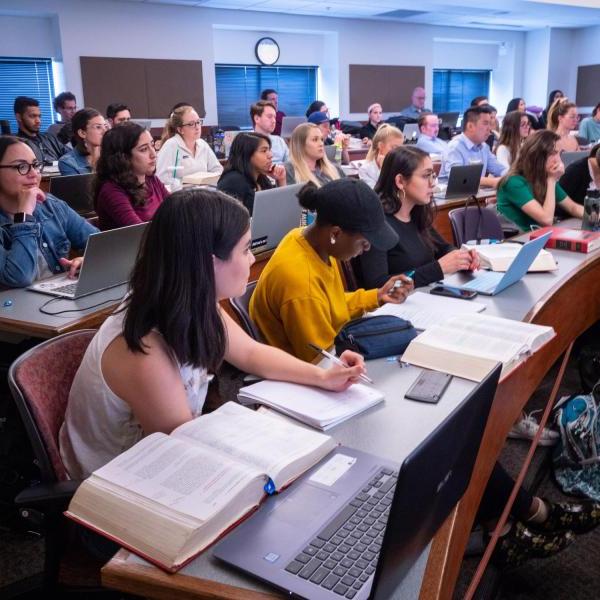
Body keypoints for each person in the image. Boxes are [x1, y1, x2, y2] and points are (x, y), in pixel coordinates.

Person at [59, 187, 368, 481]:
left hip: (166, 456)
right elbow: (182, 447)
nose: (251, 260)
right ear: (209, 263)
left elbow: (249, 353)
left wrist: (323, 377)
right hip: (118, 487)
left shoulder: (189, 298)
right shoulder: (143, 349)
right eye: (245, 249)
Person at [250, 178, 413, 362]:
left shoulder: (311, 241)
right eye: (364, 243)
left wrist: (376, 296)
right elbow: (324, 359)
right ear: (335, 233)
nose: (367, 249)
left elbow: (329, 304)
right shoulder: (300, 280)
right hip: (302, 376)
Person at [357, 146, 478, 289]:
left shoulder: (416, 213)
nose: (432, 183)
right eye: (426, 176)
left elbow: (444, 248)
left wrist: (461, 258)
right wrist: (439, 269)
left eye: (433, 175)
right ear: (400, 181)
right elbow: (377, 285)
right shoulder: (376, 223)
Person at [0, 136, 97, 288]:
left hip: (55, 299)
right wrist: (24, 215)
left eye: (36, 165)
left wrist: (86, 259)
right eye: (22, 166)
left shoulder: (52, 205)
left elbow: (99, 243)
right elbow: (19, 278)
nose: (34, 174)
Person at [496, 130, 584, 231]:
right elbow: (546, 220)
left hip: (539, 235)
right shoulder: (513, 182)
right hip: (519, 239)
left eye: (559, 154)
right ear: (536, 155)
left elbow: (573, 207)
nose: (558, 160)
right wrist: (551, 180)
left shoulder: (542, 178)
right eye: (553, 153)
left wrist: (596, 216)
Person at [94, 122, 168, 230]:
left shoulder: (151, 180)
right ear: (123, 157)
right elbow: (139, 232)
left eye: (152, 145)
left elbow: (175, 210)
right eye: (143, 149)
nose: (154, 154)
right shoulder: (111, 190)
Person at [217, 132, 286, 214]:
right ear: (247, 154)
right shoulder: (233, 182)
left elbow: (278, 209)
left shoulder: (261, 178)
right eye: (264, 151)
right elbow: (230, 221)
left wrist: (281, 180)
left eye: (269, 150)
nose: (270, 155)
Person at [156, 105, 222, 189]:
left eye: (198, 122)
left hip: (205, 195)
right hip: (181, 197)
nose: (197, 127)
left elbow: (218, 170)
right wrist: (186, 183)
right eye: (191, 124)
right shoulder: (171, 146)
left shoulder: (202, 144)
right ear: (180, 130)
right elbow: (162, 179)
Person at [440, 105, 506, 187]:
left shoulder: (484, 147)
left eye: (490, 123)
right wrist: (492, 182)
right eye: (485, 123)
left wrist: (512, 176)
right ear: (470, 126)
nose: (489, 128)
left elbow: (500, 169)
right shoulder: (455, 147)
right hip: (452, 197)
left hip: (475, 196)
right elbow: (459, 178)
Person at [14, 96, 67, 163]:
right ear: (19, 117)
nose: (38, 121)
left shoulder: (50, 138)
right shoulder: (15, 145)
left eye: (39, 116)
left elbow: (72, 157)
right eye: (33, 116)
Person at [58, 108, 107, 175]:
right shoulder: (67, 162)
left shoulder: (112, 155)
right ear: (82, 133)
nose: (105, 131)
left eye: (105, 126)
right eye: (98, 127)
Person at [358, 123, 403, 188]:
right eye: (394, 147)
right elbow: (376, 195)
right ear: (381, 146)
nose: (398, 152)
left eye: (400, 148)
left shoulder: (401, 165)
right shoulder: (365, 170)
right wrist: (384, 170)